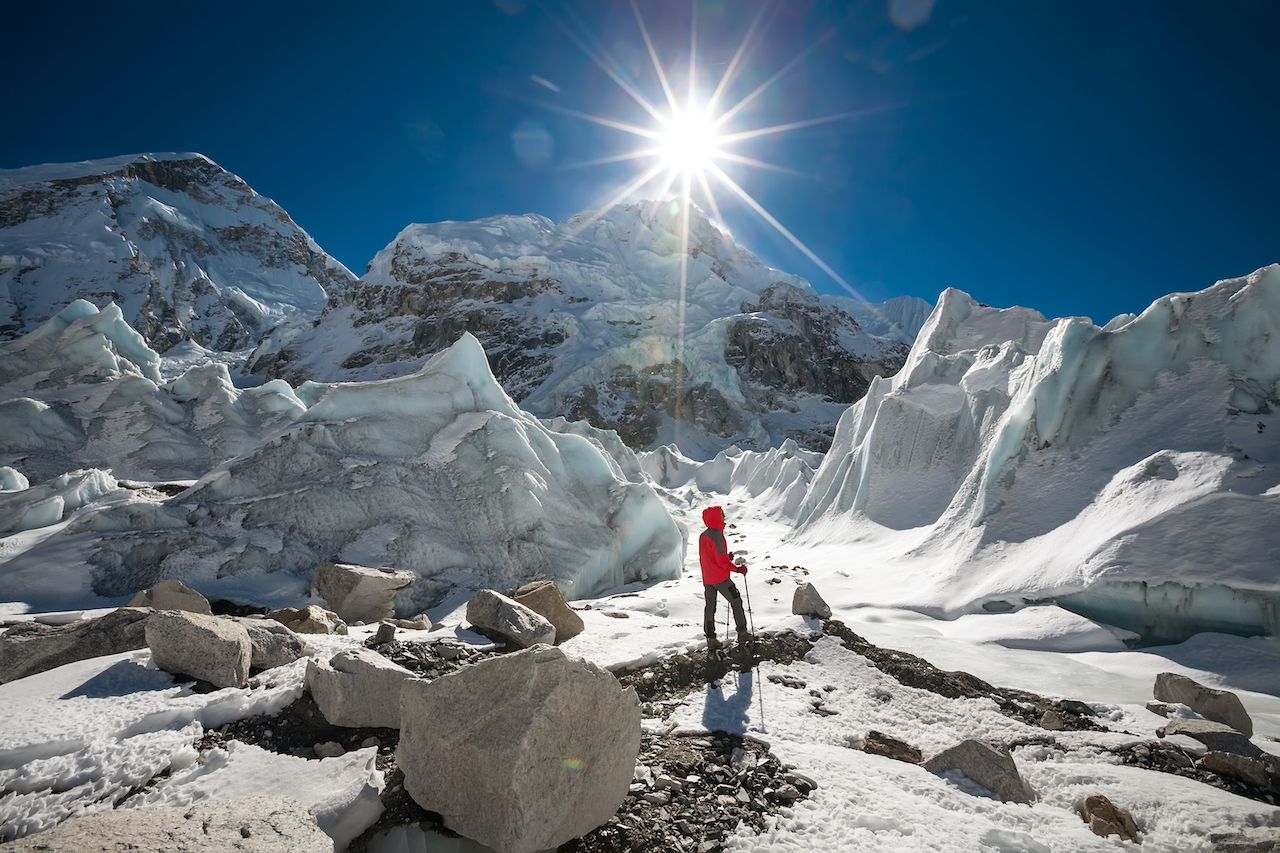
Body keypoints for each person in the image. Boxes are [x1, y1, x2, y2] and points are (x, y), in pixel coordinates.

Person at [698, 505, 752, 649]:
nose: (724, 517)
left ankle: (711, 639)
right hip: (720, 578)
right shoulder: (717, 535)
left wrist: (726, 557)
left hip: (707, 579)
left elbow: (710, 557)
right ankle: (742, 632)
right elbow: (721, 563)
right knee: (736, 600)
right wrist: (738, 569)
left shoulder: (703, 535)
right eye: (722, 515)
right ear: (716, 517)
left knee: (710, 607)